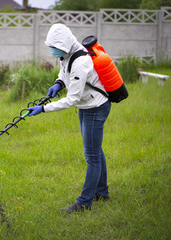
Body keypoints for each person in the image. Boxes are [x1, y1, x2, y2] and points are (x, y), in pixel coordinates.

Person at [27, 23, 111, 212]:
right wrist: (58, 83)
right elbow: (64, 69)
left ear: (63, 45)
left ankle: (84, 203)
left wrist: (43, 109)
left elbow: (72, 99)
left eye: (54, 47)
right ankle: (102, 193)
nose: (52, 51)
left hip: (95, 107)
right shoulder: (68, 53)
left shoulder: (80, 61)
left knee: (92, 156)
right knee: (95, 150)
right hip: (87, 105)